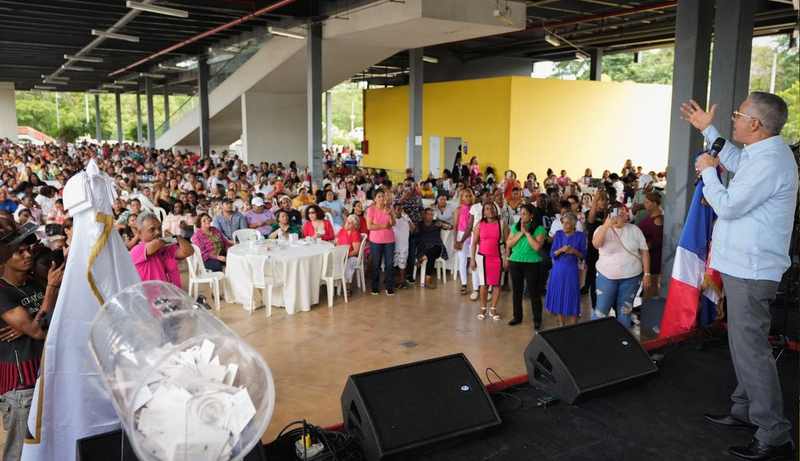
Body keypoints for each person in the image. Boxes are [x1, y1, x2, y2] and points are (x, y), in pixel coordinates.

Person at [682, 93, 796, 459]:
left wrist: (707, 170)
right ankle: (746, 409)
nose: (733, 119)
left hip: (751, 270)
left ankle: (774, 434)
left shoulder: (771, 162)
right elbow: (733, 159)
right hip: (741, 266)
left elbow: (728, 206)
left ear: (756, 124)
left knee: (752, 352)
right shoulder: (760, 153)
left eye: (737, 114)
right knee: (744, 346)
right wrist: (708, 130)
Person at [0, 220, 64, 461]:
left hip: (44, 375)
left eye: (28, 250)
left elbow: (56, 321)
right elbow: (38, 331)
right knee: (19, 452)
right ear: (5, 259)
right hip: (22, 386)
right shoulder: (3, 292)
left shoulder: (33, 282)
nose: (28, 255)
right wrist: (50, 290)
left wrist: (28, 325)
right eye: (20, 252)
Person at [591, 203, 651, 328]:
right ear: (611, 214)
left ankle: (623, 337)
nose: (624, 214)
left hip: (631, 277)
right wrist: (606, 225)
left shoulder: (634, 230)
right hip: (606, 277)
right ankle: (596, 336)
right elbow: (596, 244)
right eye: (620, 212)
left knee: (625, 311)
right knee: (601, 310)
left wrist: (647, 273)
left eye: (625, 211)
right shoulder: (601, 229)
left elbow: (644, 252)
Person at [505, 204, 547, 328]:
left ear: (531, 215)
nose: (522, 216)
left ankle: (537, 319)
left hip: (532, 263)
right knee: (517, 291)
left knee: (534, 292)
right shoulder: (515, 227)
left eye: (524, 214)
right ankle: (517, 317)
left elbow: (537, 247)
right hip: (515, 261)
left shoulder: (539, 229)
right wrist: (520, 233)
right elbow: (509, 244)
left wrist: (527, 234)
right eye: (520, 213)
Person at [130, 214, 194, 288]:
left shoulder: (165, 247)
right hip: (151, 294)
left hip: (171, 292)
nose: (158, 232)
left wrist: (177, 238)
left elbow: (189, 251)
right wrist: (171, 238)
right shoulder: (137, 250)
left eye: (159, 228)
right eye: (152, 229)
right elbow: (157, 243)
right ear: (140, 233)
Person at [545, 212, 586, 326]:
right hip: (558, 270)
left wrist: (574, 251)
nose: (564, 225)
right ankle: (561, 325)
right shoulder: (558, 234)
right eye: (563, 223)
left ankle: (573, 325)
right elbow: (552, 254)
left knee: (572, 296)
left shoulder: (580, 236)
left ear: (574, 224)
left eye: (567, 223)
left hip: (572, 270)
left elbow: (583, 255)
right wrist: (561, 250)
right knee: (559, 297)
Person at [470, 203, 506, 321]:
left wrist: (506, 258)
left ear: (496, 210)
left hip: (498, 257)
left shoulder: (502, 224)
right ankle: (483, 308)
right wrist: (472, 259)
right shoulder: (479, 224)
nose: (490, 211)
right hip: (483, 258)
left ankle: (493, 308)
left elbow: (507, 243)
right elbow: (474, 244)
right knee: (484, 284)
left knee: (497, 284)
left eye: (492, 208)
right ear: (483, 212)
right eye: (487, 209)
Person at [365, 189, 396, 296]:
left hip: (389, 240)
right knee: (376, 264)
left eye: (383, 196)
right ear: (374, 199)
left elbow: (393, 223)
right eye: (379, 196)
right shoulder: (371, 209)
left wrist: (390, 214)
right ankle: (375, 286)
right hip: (376, 241)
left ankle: (389, 286)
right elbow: (369, 226)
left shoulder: (389, 208)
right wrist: (383, 226)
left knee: (389, 264)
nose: (381, 198)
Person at [413, 208, 451, 289]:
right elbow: (414, 234)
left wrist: (443, 225)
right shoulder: (420, 224)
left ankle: (423, 257)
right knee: (430, 255)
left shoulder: (436, 223)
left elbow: (450, 227)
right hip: (424, 247)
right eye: (428, 214)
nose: (430, 216)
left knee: (433, 250)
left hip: (437, 246)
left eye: (431, 214)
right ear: (424, 215)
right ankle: (428, 279)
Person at [636, 192, 663, 298]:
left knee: (650, 294)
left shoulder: (658, 219)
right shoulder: (651, 218)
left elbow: (656, 240)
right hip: (647, 262)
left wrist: (645, 246)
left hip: (653, 263)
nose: (645, 204)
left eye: (647, 202)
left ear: (655, 204)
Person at [453, 189, 475, 296]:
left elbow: (471, 226)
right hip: (461, 234)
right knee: (462, 260)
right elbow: (455, 226)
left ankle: (476, 286)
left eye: (470, 196)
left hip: (473, 234)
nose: (468, 198)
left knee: (474, 259)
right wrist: (455, 240)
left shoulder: (474, 208)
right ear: (461, 198)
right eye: (466, 196)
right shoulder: (458, 209)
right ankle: (464, 284)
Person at [336, 214, 363, 291]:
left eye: (349, 223)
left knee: (347, 263)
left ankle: (348, 286)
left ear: (355, 225)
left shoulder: (355, 234)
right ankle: (335, 283)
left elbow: (356, 251)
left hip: (353, 257)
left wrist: (346, 256)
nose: (346, 224)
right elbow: (337, 244)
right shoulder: (341, 231)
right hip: (341, 255)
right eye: (347, 221)